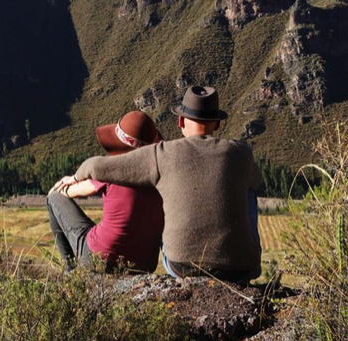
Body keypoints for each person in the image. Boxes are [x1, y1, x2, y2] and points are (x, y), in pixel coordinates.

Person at [53, 86, 262, 282]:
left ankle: (69, 274)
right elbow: (256, 183)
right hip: (240, 269)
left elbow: (98, 166)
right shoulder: (242, 153)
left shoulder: (163, 153)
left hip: (180, 265)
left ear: (180, 122)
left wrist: (74, 177)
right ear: (217, 124)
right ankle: (249, 254)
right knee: (249, 191)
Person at [47, 111, 164, 273]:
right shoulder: (162, 176)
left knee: (53, 198)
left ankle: (70, 270)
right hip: (145, 266)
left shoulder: (111, 171)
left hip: (102, 259)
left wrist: (68, 181)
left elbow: (67, 193)